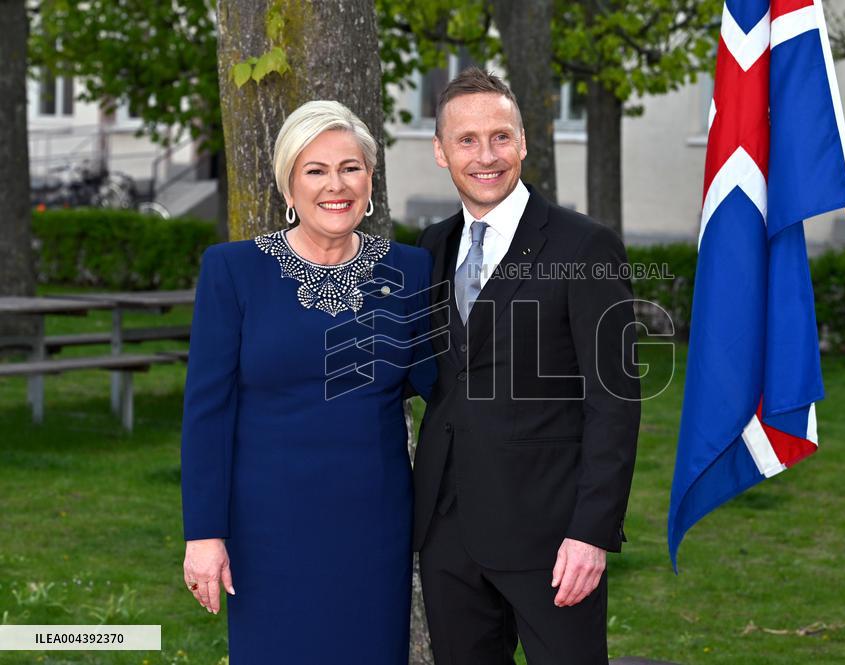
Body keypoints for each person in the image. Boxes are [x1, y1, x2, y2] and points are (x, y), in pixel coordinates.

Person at [180, 100, 435, 664]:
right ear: (288, 188)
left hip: (373, 524)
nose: (335, 185)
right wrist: (203, 535)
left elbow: (447, 389)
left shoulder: (410, 271)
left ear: (370, 182)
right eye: (314, 171)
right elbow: (207, 413)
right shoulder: (233, 270)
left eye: (351, 168)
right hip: (266, 527)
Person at [413, 68, 641, 665]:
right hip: (447, 533)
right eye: (466, 140)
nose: (486, 156)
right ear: (440, 151)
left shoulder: (583, 246)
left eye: (501, 137)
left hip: (552, 538)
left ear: (524, 142)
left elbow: (615, 402)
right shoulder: (429, 247)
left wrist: (592, 531)